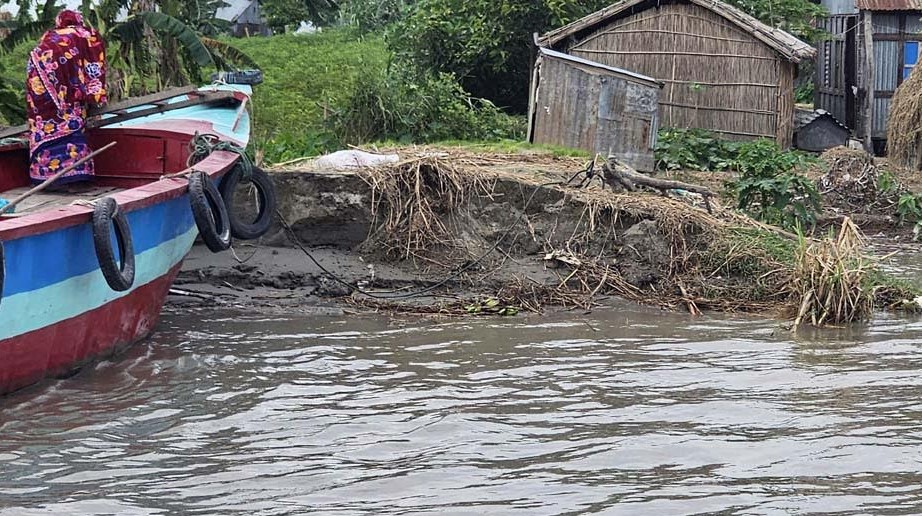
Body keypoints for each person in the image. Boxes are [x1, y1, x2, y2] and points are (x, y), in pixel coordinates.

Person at [26, 9, 106, 186]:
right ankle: (76, 178)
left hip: (40, 93)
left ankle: (44, 177)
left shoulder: (49, 36)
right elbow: (95, 63)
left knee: (46, 129)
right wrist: (91, 92)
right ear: (78, 20)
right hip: (69, 95)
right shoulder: (86, 34)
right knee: (72, 125)